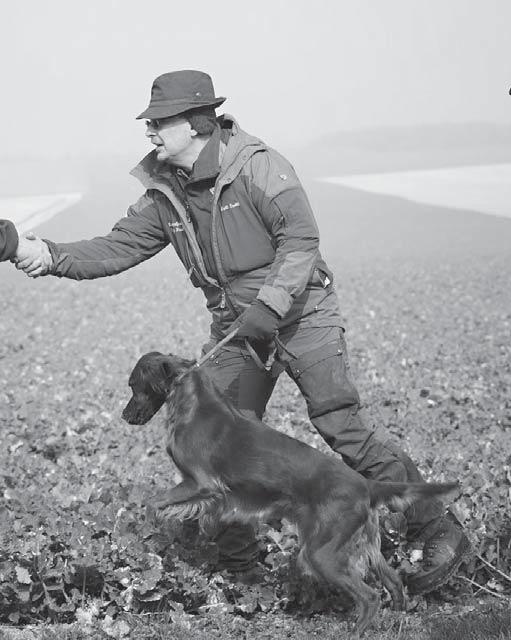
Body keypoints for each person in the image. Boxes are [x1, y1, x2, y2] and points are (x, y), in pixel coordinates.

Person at [12, 70, 470, 594]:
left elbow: (300, 238)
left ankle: (437, 530)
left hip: (302, 312)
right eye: (151, 122)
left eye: (161, 121)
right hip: (237, 328)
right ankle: (242, 570)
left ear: (198, 121)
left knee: (339, 423)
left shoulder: (258, 166)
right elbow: (116, 247)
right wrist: (38, 253)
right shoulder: (166, 192)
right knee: (221, 433)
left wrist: (270, 304)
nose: (150, 131)